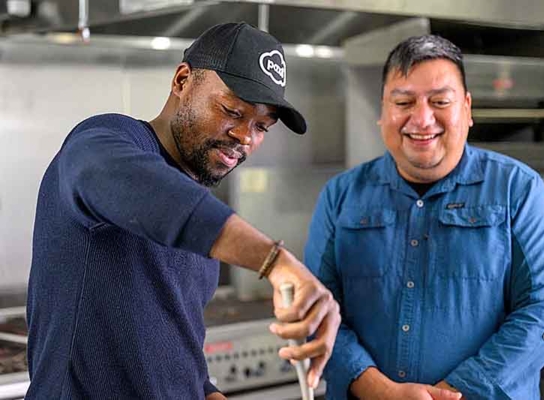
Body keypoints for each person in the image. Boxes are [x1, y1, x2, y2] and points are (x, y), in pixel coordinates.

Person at [26, 22, 341, 399]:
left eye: (261, 127)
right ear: (182, 80)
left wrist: (207, 392)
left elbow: (170, 353)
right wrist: (276, 261)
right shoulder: (107, 141)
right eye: (232, 111)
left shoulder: (203, 223)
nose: (245, 137)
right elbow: (123, 179)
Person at [304, 34, 544, 399]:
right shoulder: (341, 197)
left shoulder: (518, 190)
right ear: (383, 112)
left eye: (440, 101)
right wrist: (379, 390)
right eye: (404, 102)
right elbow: (314, 312)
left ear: (467, 108)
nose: (422, 118)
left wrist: (456, 390)